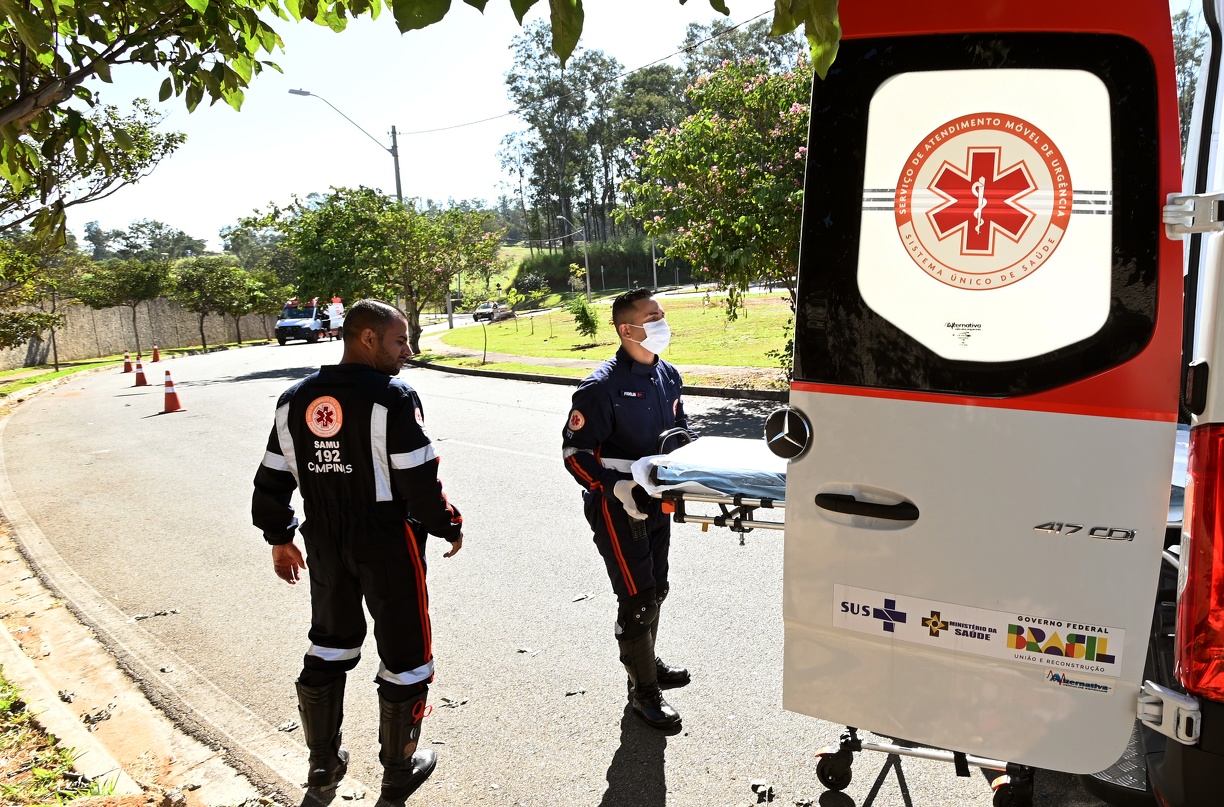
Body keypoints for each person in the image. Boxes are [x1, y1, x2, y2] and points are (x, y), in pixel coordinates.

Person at [252, 299, 463, 805]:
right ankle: (397, 769)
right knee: (406, 653)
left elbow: (271, 479)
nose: (407, 351)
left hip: (323, 539)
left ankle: (322, 764)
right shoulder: (393, 397)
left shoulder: (293, 399)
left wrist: (281, 537)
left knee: (330, 642)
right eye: (399, 340)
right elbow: (419, 480)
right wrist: (448, 525)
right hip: (388, 540)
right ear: (366, 338)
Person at [561, 287, 692, 730]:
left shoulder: (667, 375)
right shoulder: (601, 387)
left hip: (658, 501)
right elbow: (574, 454)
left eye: (661, 314)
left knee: (657, 588)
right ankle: (644, 692)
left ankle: (646, 664)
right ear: (627, 328)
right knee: (637, 597)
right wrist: (615, 487)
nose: (661, 322)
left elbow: (679, 432)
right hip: (618, 509)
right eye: (652, 316)